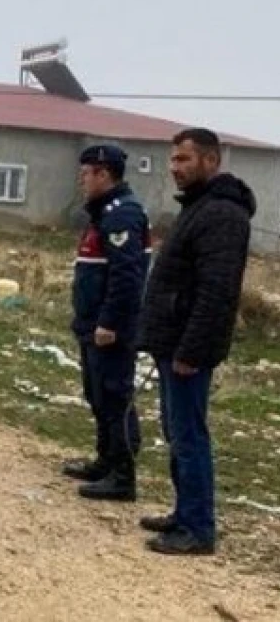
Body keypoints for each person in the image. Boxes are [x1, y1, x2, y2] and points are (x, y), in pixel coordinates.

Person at [137, 128, 255, 556]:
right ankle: (183, 513)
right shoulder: (198, 207)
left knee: (189, 436)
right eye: (173, 160)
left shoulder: (222, 214)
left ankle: (198, 528)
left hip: (188, 349)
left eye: (184, 160)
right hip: (173, 342)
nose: (175, 168)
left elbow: (217, 292)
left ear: (211, 160)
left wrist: (192, 350)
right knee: (176, 431)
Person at [62, 144, 149, 502]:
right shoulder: (102, 214)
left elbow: (127, 277)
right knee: (97, 394)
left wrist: (109, 321)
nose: (81, 181)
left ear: (104, 174)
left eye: (86, 174)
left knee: (115, 397)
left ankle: (123, 475)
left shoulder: (122, 215)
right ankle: (105, 460)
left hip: (110, 329)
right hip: (91, 323)